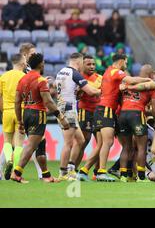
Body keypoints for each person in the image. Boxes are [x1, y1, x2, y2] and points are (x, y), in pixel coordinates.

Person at [78, 54, 151, 182]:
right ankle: (101, 172)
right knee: (108, 142)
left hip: (101, 109)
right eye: (126, 63)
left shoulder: (108, 72)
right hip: (106, 110)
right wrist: (148, 81)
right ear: (121, 61)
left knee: (101, 144)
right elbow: (132, 80)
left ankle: (84, 171)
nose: (126, 65)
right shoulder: (117, 71)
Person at [11, 53, 69, 183]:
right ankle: (17, 173)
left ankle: (46, 175)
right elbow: (48, 102)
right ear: (41, 64)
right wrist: (61, 117)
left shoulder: (23, 79)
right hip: (37, 114)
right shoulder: (40, 80)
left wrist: (20, 120)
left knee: (40, 144)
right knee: (31, 145)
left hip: (26, 113)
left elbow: (16, 101)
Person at [55, 53, 100, 181]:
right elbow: (91, 92)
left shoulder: (61, 72)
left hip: (64, 106)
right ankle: (63, 173)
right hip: (69, 108)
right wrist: (104, 90)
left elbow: (57, 88)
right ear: (79, 62)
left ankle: (71, 169)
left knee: (80, 140)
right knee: (68, 143)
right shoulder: (75, 74)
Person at [115, 65, 155, 182]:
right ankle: (141, 177)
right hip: (137, 114)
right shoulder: (151, 85)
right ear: (151, 74)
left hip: (122, 115)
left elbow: (119, 98)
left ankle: (123, 176)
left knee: (126, 147)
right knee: (141, 147)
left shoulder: (130, 82)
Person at [0, 54, 27, 180]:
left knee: (7, 141)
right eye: (25, 61)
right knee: (19, 143)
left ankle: (9, 158)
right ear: (22, 63)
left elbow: (0, 97)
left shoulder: (3, 77)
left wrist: (3, 110)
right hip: (20, 111)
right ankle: (15, 173)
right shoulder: (25, 77)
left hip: (7, 112)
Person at [75, 55, 102, 170]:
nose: (92, 66)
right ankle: (73, 169)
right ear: (82, 65)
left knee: (101, 143)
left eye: (93, 64)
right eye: (88, 64)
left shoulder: (101, 78)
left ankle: (97, 171)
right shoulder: (79, 78)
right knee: (83, 142)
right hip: (85, 112)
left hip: (99, 112)